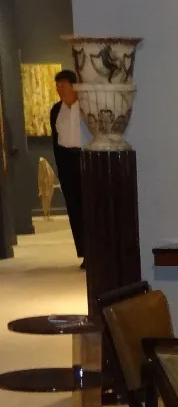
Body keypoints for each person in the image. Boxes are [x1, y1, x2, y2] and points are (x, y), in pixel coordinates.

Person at [49, 69, 86, 266]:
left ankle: (94, 251)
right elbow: (56, 141)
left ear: (74, 86)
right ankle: (84, 252)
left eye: (62, 85)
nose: (59, 89)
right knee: (74, 208)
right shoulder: (56, 110)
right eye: (57, 86)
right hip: (66, 161)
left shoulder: (85, 108)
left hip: (83, 159)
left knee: (89, 206)